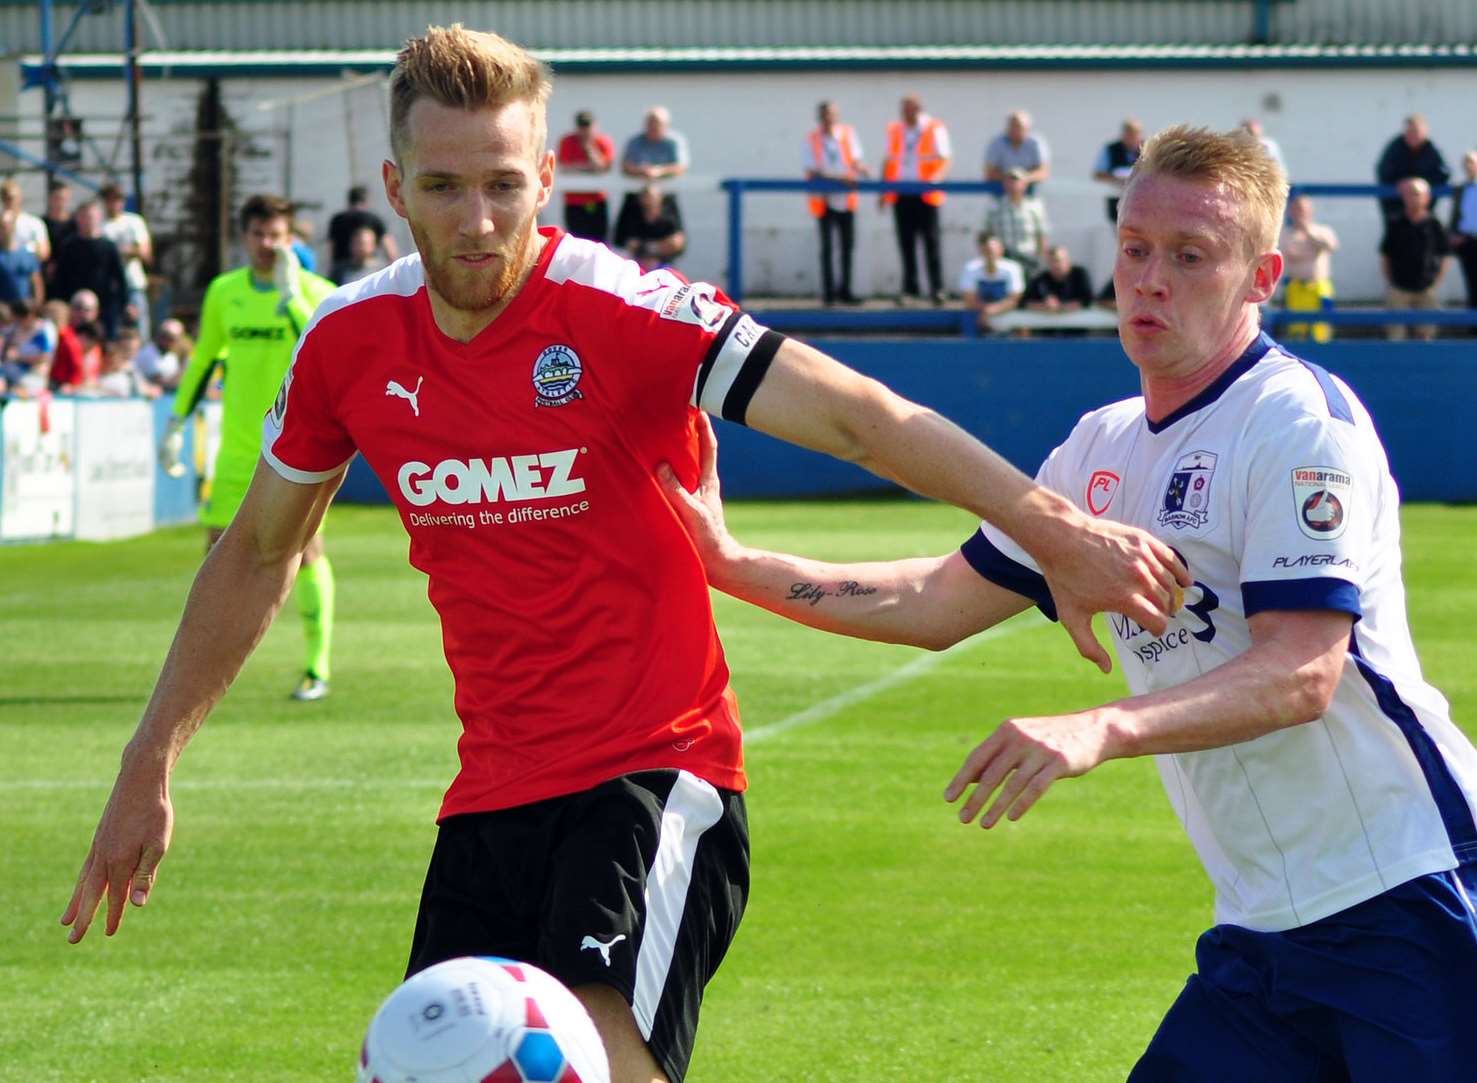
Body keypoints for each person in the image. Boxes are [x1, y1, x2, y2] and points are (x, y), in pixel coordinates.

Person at [58, 27, 1185, 1083]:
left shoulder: (628, 311)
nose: (478, 219)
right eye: (444, 187)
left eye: (505, 184)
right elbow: (261, 553)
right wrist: (148, 757)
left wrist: (1056, 530)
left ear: (546, 181)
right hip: (488, 798)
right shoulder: (347, 342)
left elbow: (864, 419)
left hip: (653, 776)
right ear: (394, 190)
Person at [660, 123, 1477, 1083]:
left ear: (1260, 276)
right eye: (1135, 249)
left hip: (1408, 900)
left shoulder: (1298, 425)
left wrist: (1099, 727)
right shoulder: (1099, 449)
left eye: (1188, 256)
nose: (1150, 279)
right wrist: (730, 562)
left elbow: (1300, 672)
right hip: (1261, 932)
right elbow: (933, 599)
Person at [161, 193, 340, 699]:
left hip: (301, 449)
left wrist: (292, 301)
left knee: (306, 553)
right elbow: (204, 359)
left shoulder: (319, 293)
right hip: (239, 448)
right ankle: (207, 671)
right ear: (245, 238)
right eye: (259, 235)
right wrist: (178, 420)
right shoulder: (224, 291)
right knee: (217, 556)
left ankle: (316, 666)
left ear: (291, 239)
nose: (267, 244)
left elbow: (327, 349)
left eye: (277, 236)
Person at [881, 94, 952, 305]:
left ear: (919, 108)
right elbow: (889, 160)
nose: (906, 113)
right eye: (904, 109)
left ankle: (936, 288)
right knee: (906, 242)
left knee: (931, 241)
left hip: (926, 193)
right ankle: (910, 289)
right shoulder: (895, 129)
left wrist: (936, 178)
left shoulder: (933, 127)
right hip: (902, 192)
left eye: (910, 108)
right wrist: (883, 190)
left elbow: (945, 157)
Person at [804, 100, 868, 305]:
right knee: (827, 247)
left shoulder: (848, 134)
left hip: (846, 199)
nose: (828, 118)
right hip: (824, 199)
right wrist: (840, 179)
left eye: (831, 114)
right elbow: (812, 170)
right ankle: (829, 293)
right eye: (824, 115)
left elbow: (855, 159)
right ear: (819, 117)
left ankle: (845, 290)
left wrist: (862, 169)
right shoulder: (812, 139)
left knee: (847, 246)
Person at [1379, 177, 1451, 341]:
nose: (1413, 198)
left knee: (1426, 335)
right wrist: (1391, 281)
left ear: (1427, 197)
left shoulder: (1435, 224)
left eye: (1417, 194)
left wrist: (1436, 282)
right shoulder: (1395, 223)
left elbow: (1445, 255)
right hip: (1399, 287)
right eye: (1410, 194)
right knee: (1395, 335)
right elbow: (1386, 254)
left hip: (1426, 288)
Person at [51, 200, 128, 338]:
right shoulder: (69, 246)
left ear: (98, 218)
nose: (87, 221)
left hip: (103, 307)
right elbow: (60, 278)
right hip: (74, 308)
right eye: (83, 217)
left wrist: (124, 304)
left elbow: (120, 278)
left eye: (90, 217)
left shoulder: (108, 247)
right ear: (77, 219)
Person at [617, 106, 690, 248]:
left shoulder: (673, 142)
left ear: (666, 126)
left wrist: (659, 171)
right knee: (629, 240)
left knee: (674, 241)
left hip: (665, 198)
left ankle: (660, 264)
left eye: (657, 125)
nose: (653, 128)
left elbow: (681, 167)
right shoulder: (635, 141)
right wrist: (642, 171)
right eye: (650, 124)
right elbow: (625, 166)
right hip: (636, 198)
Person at [1278, 194, 1340, 343]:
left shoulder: (1322, 231)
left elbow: (1331, 246)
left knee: (1321, 330)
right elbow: (1288, 254)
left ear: (1310, 211)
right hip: (1296, 287)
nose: (1300, 213)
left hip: (1319, 287)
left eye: (1303, 209)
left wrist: (1308, 232)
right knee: (1296, 330)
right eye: (1297, 209)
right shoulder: (1285, 234)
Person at [100, 183, 154, 336]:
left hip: (133, 284)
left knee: (139, 329)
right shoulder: (100, 225)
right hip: (110, 287)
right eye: (111, 200)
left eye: (118, 200)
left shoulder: (134, 222)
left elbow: (144, 252)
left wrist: (118, 253)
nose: (115, 204)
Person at [1376, 114, 1450, 223]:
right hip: (1396, 205)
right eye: (1410, 131)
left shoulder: (1431, 149)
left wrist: (1424, 185)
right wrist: (1401, 183)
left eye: (1417, 132)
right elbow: (1383, 171)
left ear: (1425, 132)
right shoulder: (1395, 147)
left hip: (1424, 210)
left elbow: (1444, 173)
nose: (1413, 135)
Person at [556, 110, 616, 243]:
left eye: (588, 126)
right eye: (581, 126)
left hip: (597, 200)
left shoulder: (603, 142)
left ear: (595, 126)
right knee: (576, 242)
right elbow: (565, 167)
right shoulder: (567, 141)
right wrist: (588, 168)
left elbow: (602, 167)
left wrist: (589, 148)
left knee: (600, 242)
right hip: (574, 202)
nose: (584, 130)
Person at [984, 167, 1048, 279]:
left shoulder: (1034, 207)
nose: (1012, 184)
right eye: (1008, 181)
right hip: (1004, 258)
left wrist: (1041, 258)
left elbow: (1041, 234)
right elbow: (987, 234)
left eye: (1016, 180)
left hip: (1028, 257)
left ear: (1024, 184)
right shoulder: (995, 207)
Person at [958, 230, 1024, 333]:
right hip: (978, 317)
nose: (990, 254)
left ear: (1001, 250)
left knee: (1022, 323)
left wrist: (989, 311)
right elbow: (969, 300)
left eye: (992, 250)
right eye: (986, 250)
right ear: (980, 251)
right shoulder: (970, 269)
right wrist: (986, 312)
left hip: (1005, 314)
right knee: (967, 318)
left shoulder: (1012, 268)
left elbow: (1014, 300)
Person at [613, 184, 685, 272]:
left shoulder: (669, 219)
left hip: (663, 264)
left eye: (652, 197)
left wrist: (648, 248)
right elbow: (626, 242)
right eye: (646, 197)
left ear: (660, 198)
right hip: (636, 263)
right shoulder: (632, 217)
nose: (649, 201)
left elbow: (676, 243)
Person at [327, 184, 400, 270]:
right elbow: (389, 247)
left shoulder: (337, 219)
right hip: (367, 266)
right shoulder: (374, 219)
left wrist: (331, 267)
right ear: (366, 200)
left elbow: (331, 246)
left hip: (342, 267)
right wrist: (394, 268)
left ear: (349, 200)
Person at [1092, 117, 1145, 224]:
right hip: (1116, 198)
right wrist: (1116, 178)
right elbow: (1097, 174)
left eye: (1135, 133)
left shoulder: (1148, 148)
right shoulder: (1110, 149)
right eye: (1129, 132)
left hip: (1142, 201)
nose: (1132, 136)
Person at [983, 110, 1050, 193]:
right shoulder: (997, 143)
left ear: (1027, 128)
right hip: (1001, 195)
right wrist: (1011, 180)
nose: (1015, 130)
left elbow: (1043, 172)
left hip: (1031, 195)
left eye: (1018, 126)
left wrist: (1024, 179)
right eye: (1012, 126)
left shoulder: (1036, 143)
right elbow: (989, 172)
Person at [1448, 149, 1477, 324]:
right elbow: (1455, 215)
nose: (1469, 166)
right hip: (1467, 241)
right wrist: (1453, 235)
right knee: (1472, 283)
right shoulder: (1460, 190)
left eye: (1472, 162)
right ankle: (1473, 325)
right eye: (1467, 163)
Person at [1023, 244, 1092, 314]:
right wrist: (1044, 305)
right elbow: (1026, 303)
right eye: (1051, 261)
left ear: (1067, 261)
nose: (1055, 265)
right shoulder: (1041, 279)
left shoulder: (1079, 275)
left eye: (1058, 260)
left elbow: (1088, 301)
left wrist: (1060, 307)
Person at [1, 177, 51, 263]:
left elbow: (44, 253)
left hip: (26, 272)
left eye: (12, 197)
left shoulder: (34, 223)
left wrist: (23, 251)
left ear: (20, 198)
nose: (9, 201)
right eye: (5, 198)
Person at [0, 210, 43, 304]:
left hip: (25, 310)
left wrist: (36, 304)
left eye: (8, 225)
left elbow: (36, 282)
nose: (6, 229)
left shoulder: (27, 253)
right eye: (2, 226)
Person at [134, 316, 188, 391]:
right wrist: (183, 369)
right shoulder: (147, 352)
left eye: (172, 339)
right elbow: (158, 382)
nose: (167, 341)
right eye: (164, 336)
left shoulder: (172, 356)